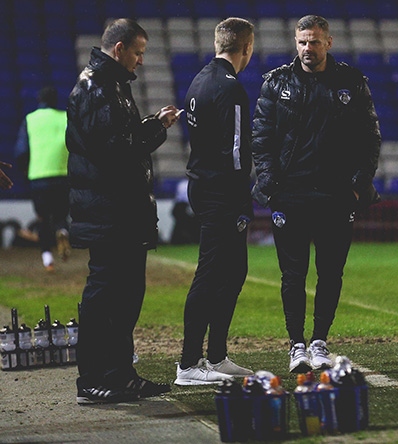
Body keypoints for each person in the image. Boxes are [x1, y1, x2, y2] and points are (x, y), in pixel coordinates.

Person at [251, 15, 381, 373]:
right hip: (289, 195)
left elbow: (369, 137)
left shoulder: (351, 83)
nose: (308, 49)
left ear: (329, 42)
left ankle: (320, 341)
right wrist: (271, 183)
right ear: (296, 43)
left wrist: (357, 185)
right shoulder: (276, 84)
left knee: (331, 272)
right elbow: (260, 139)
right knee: (292, 275)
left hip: (336, 196)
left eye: (315, 42)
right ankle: (296, 345)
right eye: (303, 42)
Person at [66, 18, 182, 404]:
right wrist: (154, 130)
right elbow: (114, 151)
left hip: (118, 213)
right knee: (105, 297)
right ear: (119, 49)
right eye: (138, 52)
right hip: (108, 214)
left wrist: (151, 125)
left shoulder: (109, 84)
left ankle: (120, 375)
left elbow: (117, 141)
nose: (141, 61)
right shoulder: (96, 87)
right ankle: (93, 380)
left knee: (126, 296)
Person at [174, 17, 256, 386]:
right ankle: (189, 363)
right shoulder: (231, 88)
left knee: (233, 270)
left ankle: (217, 355)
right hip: (222, 192)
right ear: (247, 48)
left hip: (202, 186)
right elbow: (237, 153)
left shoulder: (199, 80)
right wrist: (243, 199)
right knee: (211, 273)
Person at [14, 86, 71, 272]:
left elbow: (21, 151)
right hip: (63, 176)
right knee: (61, 215)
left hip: (39, 177)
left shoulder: (30, 119)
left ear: (39, 99)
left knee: (43, 219)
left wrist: (25, 172)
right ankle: (63, 231)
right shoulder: (66, 118)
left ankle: (48, 259)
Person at [169, 178, 199, 244]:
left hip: (182, 205)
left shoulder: (182, 183)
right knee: (182, 224)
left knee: (181, 225)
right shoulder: (184, 183)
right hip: (184, 205)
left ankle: (178, 240)